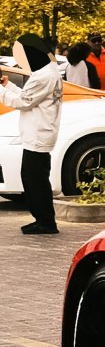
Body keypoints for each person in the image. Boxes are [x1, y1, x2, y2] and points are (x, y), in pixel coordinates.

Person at [1, 33, 65, 234]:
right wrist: (7, 85)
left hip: (38, 134)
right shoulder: (48, 72)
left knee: (33, 179)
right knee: (36, 178)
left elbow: (23, 102)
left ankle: (45, 222)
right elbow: (26, 95)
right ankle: (44, 219)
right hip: (40, 133)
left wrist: (0, 91)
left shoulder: (44, 75)